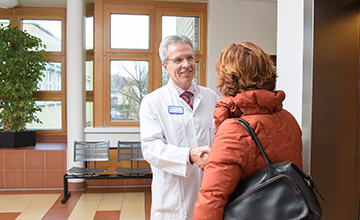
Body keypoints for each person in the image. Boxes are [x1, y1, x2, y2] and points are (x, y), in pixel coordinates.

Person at [193, 41, 303, 220]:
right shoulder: (287, 118)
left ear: (229, 77)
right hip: (289, 212)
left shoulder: (235, 129)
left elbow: (212, 199)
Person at [139, 34, 219, 219]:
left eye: (190, 57)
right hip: (173, 195)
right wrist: (189, 155)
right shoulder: (153, 102)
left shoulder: (210, 97)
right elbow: (151, 149)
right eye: (178, 60)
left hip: (209, 189)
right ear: (165, 66)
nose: (186, 64)